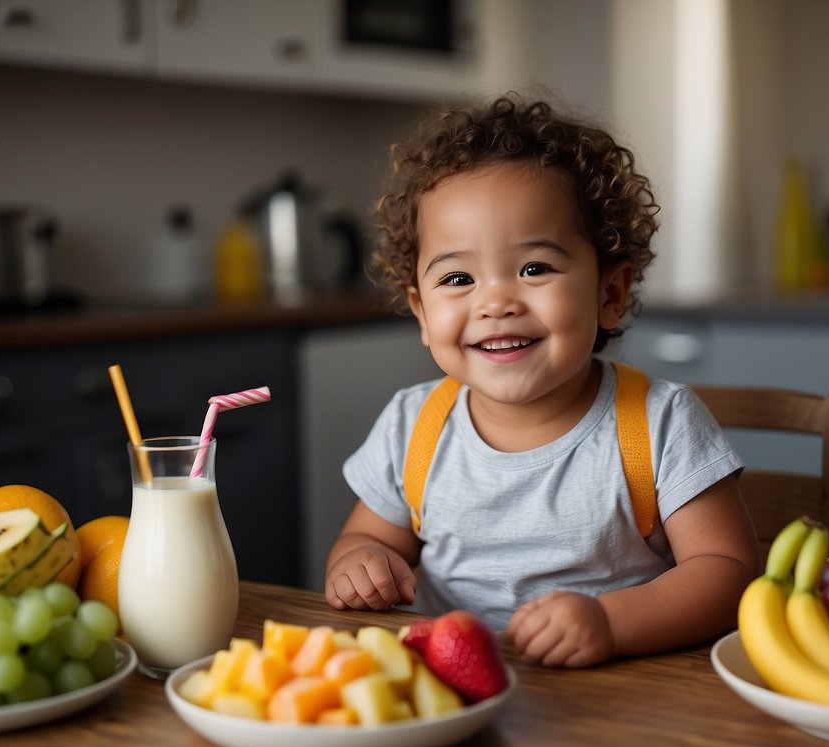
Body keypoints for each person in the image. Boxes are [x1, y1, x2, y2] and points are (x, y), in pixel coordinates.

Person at [324, 95, 759, 668]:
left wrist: (611, 622)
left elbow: (728, 573)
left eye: (535, 269)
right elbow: (366, 541)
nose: (496, 301)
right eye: (457, 277)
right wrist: (359, 566)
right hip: (458, 702)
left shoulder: (660, 424)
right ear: (423, 314)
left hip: (618, 704)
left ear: (610, 293)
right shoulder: (414, 427)